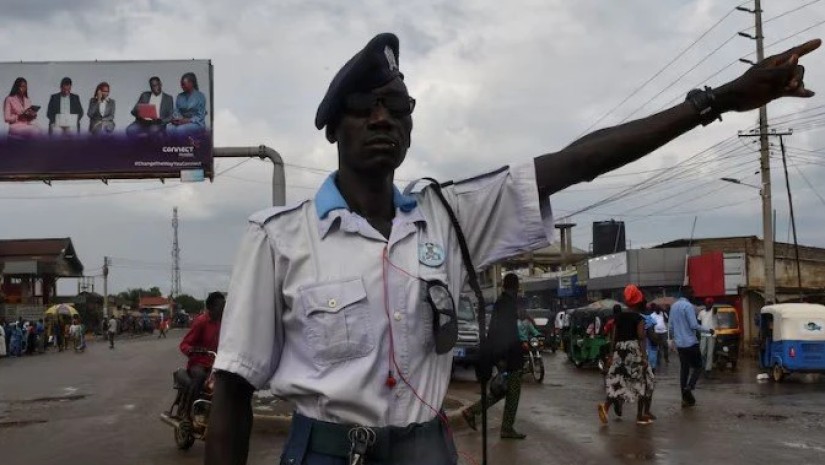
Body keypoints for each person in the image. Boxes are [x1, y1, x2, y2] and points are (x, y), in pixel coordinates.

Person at [207, 33, 819, 465]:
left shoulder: (448, 217)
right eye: (365, 108)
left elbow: (576, 161)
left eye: (397, 107)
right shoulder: (278, 237)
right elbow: (233, 388)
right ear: (333, 128)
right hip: (325, 453)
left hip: (428, 448)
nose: (383, 119)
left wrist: (715, 102)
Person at [463, 274, 527, 439]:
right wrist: (504, 358)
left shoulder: (502, 302)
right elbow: (506, 332)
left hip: (503, 354)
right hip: (510, 356)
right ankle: (506, 428)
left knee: (501, 390)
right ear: (516, 286)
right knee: (512, 392)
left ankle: (472, 411)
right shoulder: (507, 304)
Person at [598, 284, 655, 426]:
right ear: (639, 301)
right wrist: (644, 357)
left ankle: (605, 407)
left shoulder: (618, 318)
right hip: (633, 350)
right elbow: (641, 337)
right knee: (645, 380)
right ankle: (640, 415)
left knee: (618, 380)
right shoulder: (639, 318)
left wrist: (611, 356)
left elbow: (613, 337)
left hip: (619, 350)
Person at [178, 292, 224, 421]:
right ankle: (189, 413)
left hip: (214, 364)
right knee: (200, 377)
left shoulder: (221, 323)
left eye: (224, 306)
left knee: (225, 381)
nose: (222, 309)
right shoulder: (201, 322)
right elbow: (184, 344)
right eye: (220, 306)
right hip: (198, 363)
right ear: (211, 307)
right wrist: (193, 350)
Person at [669, 291, 714, 407]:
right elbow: (694, 325)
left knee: (684, 370)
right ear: (688, 296)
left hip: (680, 345)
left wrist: (672, 341)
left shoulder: (673, 307)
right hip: (691, 343)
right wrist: (708, 330)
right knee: (698, 366)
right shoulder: (688, 306)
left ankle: (684, 399)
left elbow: (671, 326)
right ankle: (690, 386)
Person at [166, 72, 206, 140]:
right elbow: (176, 111)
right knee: (169, 127)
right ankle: (174, 145)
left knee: (180, 129)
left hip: (196, 123)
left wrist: (187, 120)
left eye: (183, 84)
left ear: (191, 83)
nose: (182, 86)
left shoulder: (200, 96)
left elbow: (200, 116)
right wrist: (177, 119)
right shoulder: (180, 96)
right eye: (181, 84)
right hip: (182, 121)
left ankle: (184, 145)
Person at [697, 298, 719, 376]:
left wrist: (714, 308)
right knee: (702, 352)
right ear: (705, 304)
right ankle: (703, 365)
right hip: (703, 334)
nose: (709, 304)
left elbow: (715, 310)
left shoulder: (714, 311)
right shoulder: (701, 312)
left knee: (710, 353)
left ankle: (708, 369)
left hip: (712, 335)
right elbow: (698, 322)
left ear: (712, 304)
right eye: (707, 303)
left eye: (710, 303)